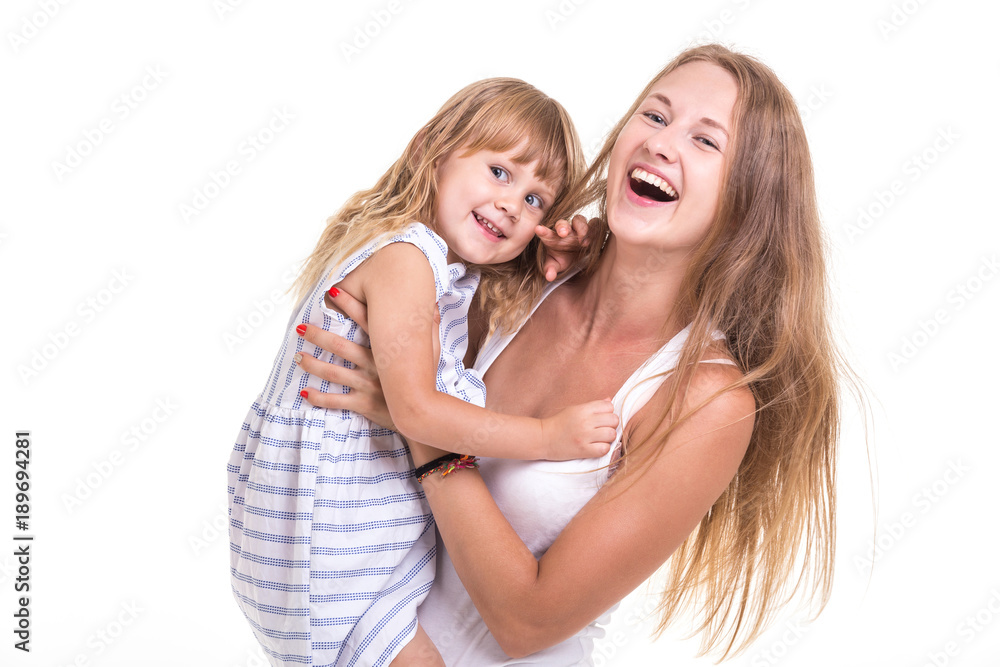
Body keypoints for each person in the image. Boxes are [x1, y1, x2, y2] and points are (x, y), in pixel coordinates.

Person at [299, 43, 847, 665]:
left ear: (748, 201)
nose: (662, 144)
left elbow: (528, 622)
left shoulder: (706, 401)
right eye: (656, 116)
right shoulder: (520, 275)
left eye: (706, 141)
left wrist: (420, 422)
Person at [227, 78, 621, 667]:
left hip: (316, 544)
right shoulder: (406, 260)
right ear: (433, 154)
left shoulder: (434, 270)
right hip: (330, 551)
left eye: (537, 200)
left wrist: (574, 255)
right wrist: (546, 437)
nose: (514, 203)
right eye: (501, 172)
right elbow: (415, 409)